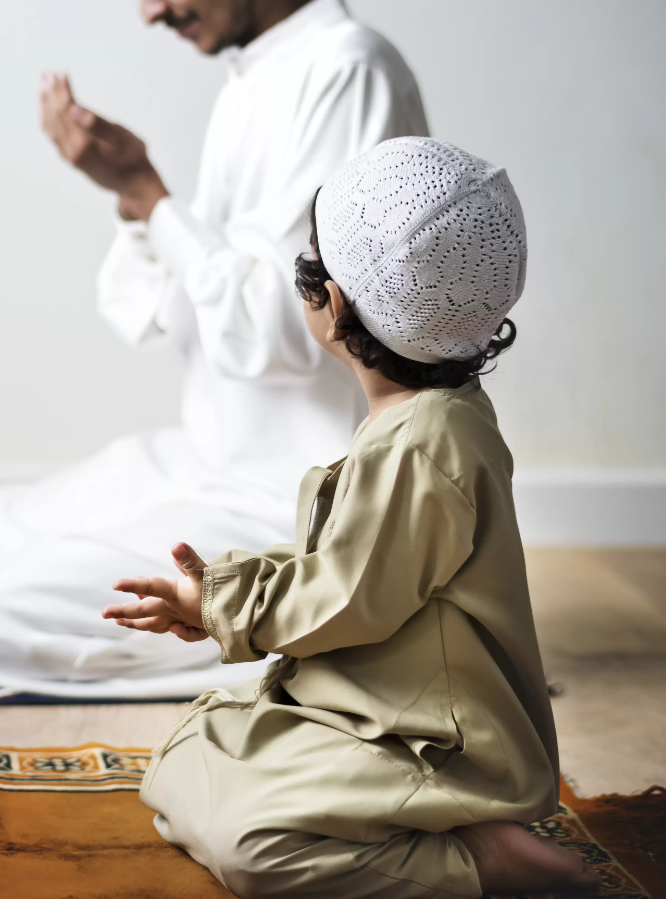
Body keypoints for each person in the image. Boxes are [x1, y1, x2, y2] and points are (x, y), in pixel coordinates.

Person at [104, 137, 601, 898]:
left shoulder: (424, 443)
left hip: (431, 738)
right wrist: (223, 594)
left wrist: (221, 604)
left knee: (253, 844)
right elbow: (352, 564)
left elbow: (346, 592)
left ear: (331, 306)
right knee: (191, 750)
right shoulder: (426, 418)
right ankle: (434, 823)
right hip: (367, 703)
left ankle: (475, 858)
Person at [0, 0, 428, 698]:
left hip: (296, 499)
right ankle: (262, 622)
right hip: (208, 459)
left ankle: (317, 625)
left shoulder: (347, 71)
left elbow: (290, 333)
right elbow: (178, 312)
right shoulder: (253, 77)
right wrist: (139, 204)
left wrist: (148, 194)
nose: (152, 12)